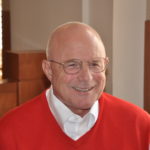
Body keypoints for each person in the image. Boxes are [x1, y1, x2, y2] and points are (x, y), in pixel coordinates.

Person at [0, 22, 149, 150]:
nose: (86, 77)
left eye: (94, 64)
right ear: (49, 70)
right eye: (72, 65)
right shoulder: (10, 133)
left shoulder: (140, 127)